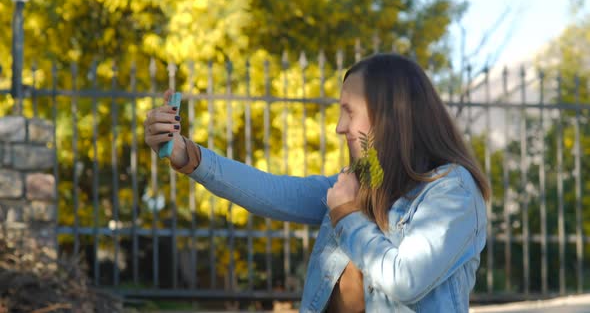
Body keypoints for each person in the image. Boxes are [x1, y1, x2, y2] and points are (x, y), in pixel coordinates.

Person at [144, 53, 490, 312]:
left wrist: (347, 216)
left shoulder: (451, 190)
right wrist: (188, 155)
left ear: (391, 116)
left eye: (349, 111)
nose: (339, 127)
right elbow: (274, 192)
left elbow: (406, 280)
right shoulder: (361, 183)